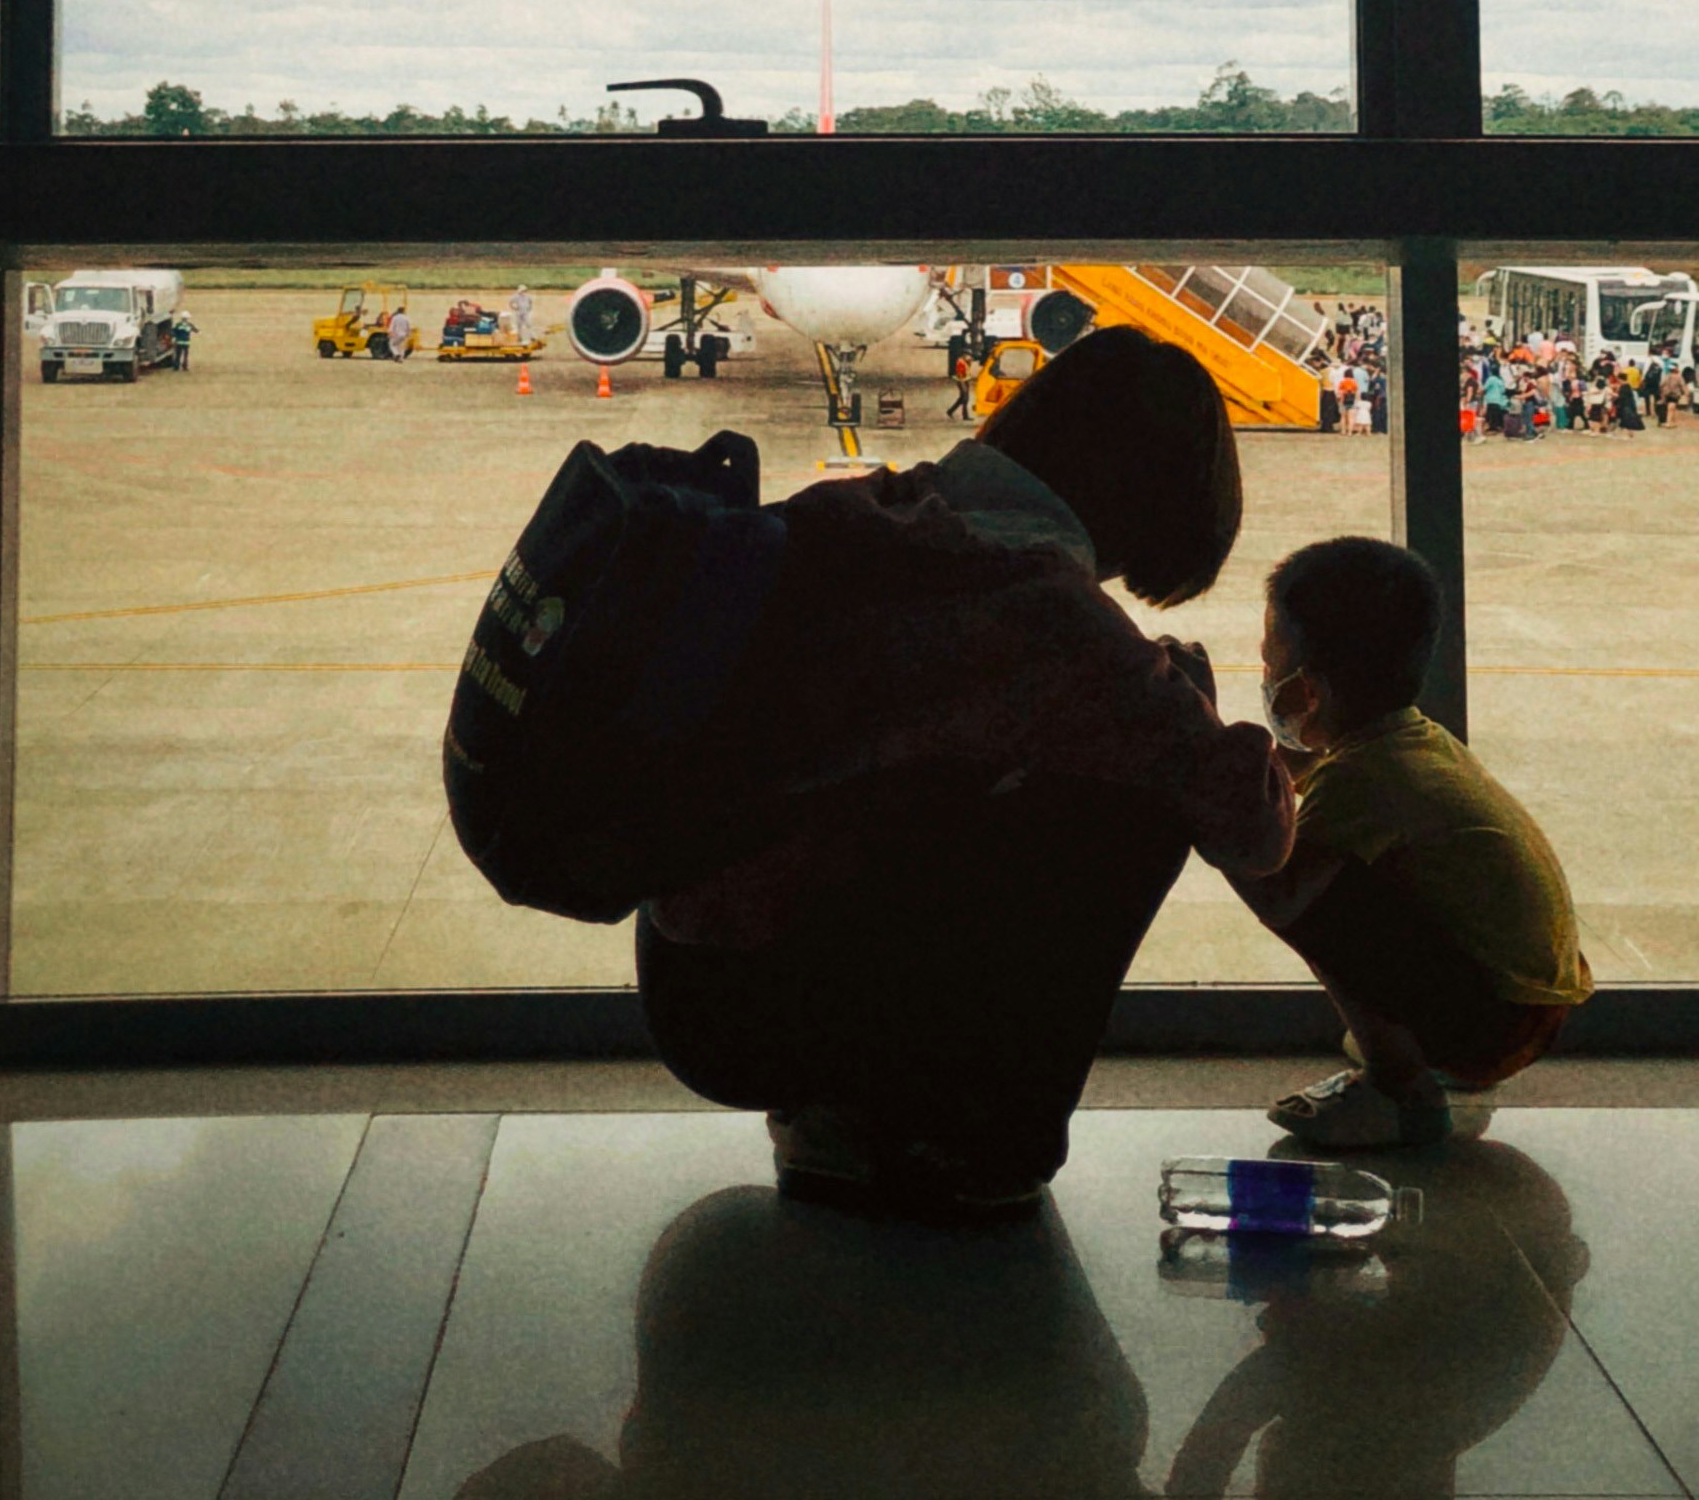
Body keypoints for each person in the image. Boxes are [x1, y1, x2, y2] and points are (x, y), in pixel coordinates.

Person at [635, 326, 1287, 1216]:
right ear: (1152, 499)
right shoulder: (1051, 615)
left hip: (686, 972)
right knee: (1134, 802)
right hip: (770, 1018)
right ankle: (971, 1136)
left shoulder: (857, 510)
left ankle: (836, 1120)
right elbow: (1250, 833)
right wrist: (1193, 697)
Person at [1233, 536, 1589, 1154]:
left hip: (1495, 1027)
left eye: (1270, 665)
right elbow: (1295, 769)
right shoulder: (1406, 739)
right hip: (1527, 1005)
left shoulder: (1360, 777)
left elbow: (1274, 871)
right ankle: (1420, 1058)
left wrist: (1203, 780)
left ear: (1307, 691)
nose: (1265, 679)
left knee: (1309, 902)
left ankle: (1403, 1092)